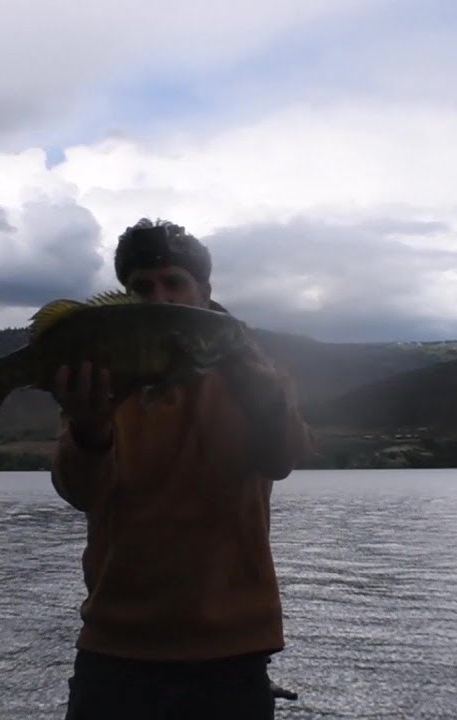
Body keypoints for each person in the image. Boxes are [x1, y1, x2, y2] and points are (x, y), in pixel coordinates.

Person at [49, 218, 313, 719]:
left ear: (204, 292)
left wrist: (262, 398)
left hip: (233, 649)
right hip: (116, 646)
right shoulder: (106, 375)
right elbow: (81, 491)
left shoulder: (255, 368)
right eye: (143, 287)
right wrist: (88, 431)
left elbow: (283, 458)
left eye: (175, 282)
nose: (161, 297)